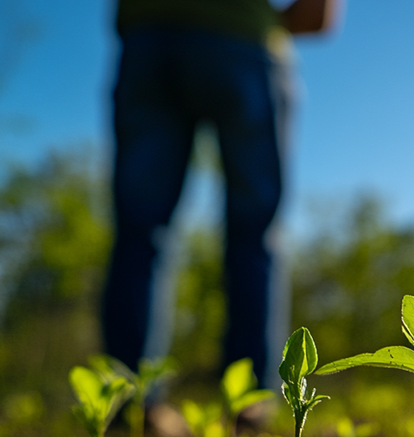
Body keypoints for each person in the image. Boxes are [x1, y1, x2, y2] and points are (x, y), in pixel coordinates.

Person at [101, 0, 338, 391]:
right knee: (254, 231)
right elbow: (318, 14)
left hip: (149, 37)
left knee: (139, 230)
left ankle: (130, 399)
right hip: (245, 43)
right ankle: (249, 398)